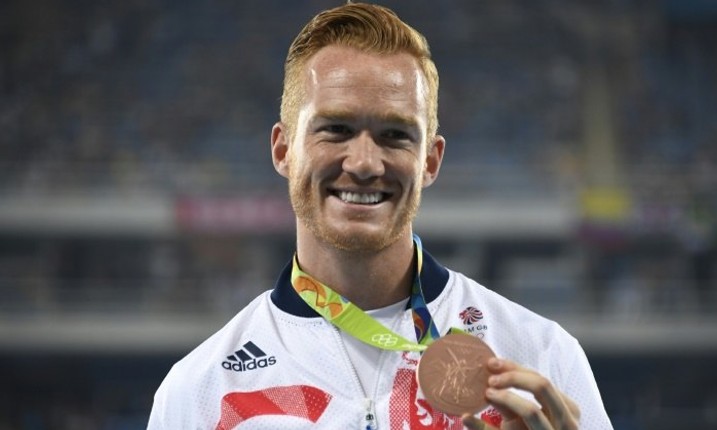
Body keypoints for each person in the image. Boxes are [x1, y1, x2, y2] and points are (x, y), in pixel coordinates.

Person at [147, 3, 613, 429]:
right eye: (336, 129)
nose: (365, 163)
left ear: (430, 161)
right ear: (283, 149)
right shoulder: (201, 390)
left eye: (395, 135)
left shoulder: (540, 357)